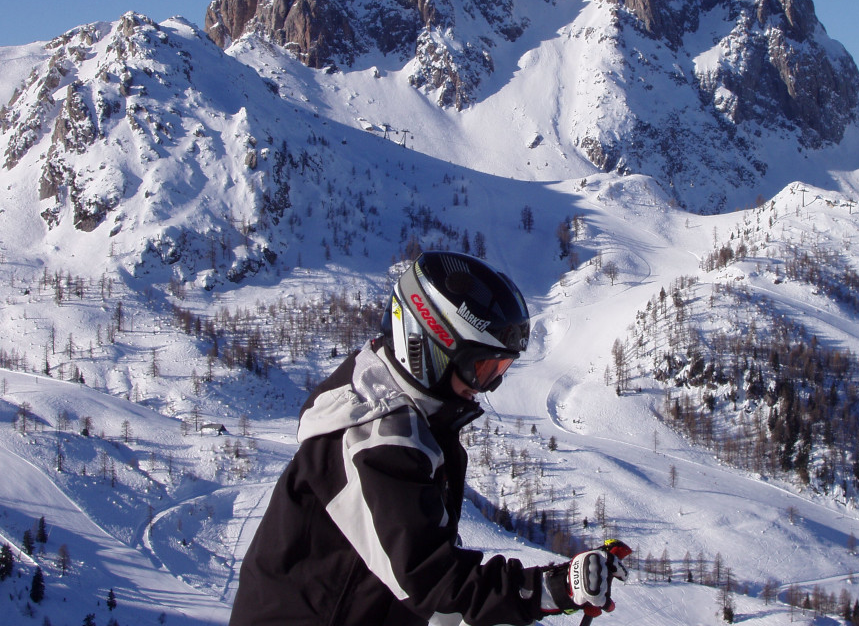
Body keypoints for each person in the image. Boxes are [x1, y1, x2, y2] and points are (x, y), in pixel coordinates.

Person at [230, 251, 628, 626]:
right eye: (483, 368)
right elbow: (432, 580)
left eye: (501, 368)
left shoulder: (408, 410)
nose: (489, 385)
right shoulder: (376, 438)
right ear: (428, 347)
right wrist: (554, 588)